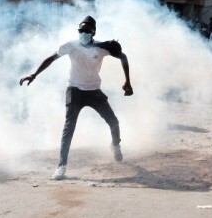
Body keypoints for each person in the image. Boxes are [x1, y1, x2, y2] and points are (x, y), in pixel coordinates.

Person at [19, 16, 133, 180]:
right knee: (69, 127)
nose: (83, 33)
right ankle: (61, 166)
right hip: (74, 91)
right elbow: (51, 58)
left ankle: (115, 145)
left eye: (87, 31)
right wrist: (34, 75)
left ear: (93, 33)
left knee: (113, 121)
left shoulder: (102, 47)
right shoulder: (70, 46)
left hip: (94, 91)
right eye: (81, 31)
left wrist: (127, 81)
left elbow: (123, 56)